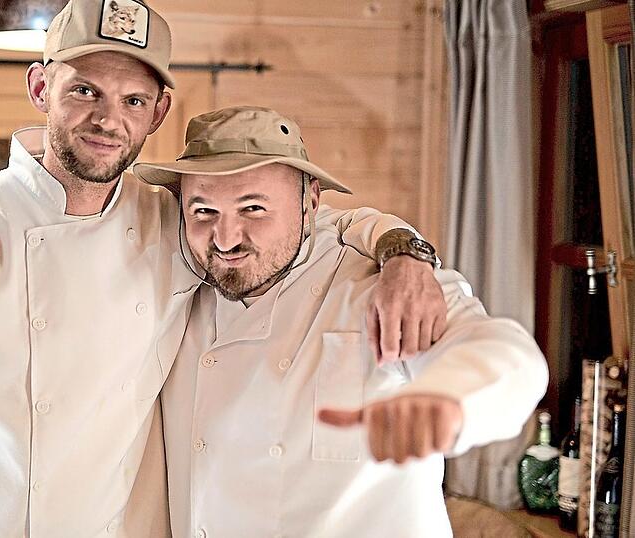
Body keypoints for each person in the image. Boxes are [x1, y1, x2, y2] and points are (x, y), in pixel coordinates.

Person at [0, 2, 446, 537]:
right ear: (41, 86)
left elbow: (306, 226)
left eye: (131, 100)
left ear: (158, 112)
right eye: (85, 90)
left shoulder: (173, 221)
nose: (107, 119)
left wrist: (404, 250)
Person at [133, 106, 549, 538]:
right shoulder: (185, 287)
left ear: (310, 202)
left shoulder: (378, 283)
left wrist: (450, 399)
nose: (226, 238)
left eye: (253, 208)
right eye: (203, 211)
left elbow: (508, 353)